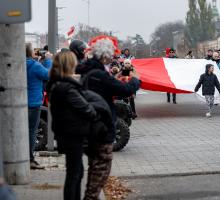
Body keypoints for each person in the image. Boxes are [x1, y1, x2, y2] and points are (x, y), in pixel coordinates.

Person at [76, 39, 140, 200]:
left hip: (91, 125)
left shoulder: (89, 70)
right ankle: (90, 197)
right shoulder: (99, 74)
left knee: (94, 167)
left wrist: (114, 78)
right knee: (101, 168)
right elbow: (125, 90)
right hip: (101, 127)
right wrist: (135, 80)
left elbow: (108, 87)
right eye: (111, 55)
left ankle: (92, 196)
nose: (112, 58)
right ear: (104, 56)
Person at [47, 51, 103, 200]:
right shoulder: (67, 88)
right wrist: (95, 110)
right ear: (70, 65)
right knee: (74, 174)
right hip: (72, 135)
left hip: (67, 133)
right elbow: (87, 110)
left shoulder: (57, 84)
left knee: (77, 172)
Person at [26, 43, 49, 170]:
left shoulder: (19, 64)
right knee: (31, 131)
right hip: (33, 104)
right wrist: (49, 60)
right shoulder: (35, 66)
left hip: (20, 104)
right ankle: (30, 159)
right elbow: (49, 75)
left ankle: (23, 158)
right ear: (30, 53)